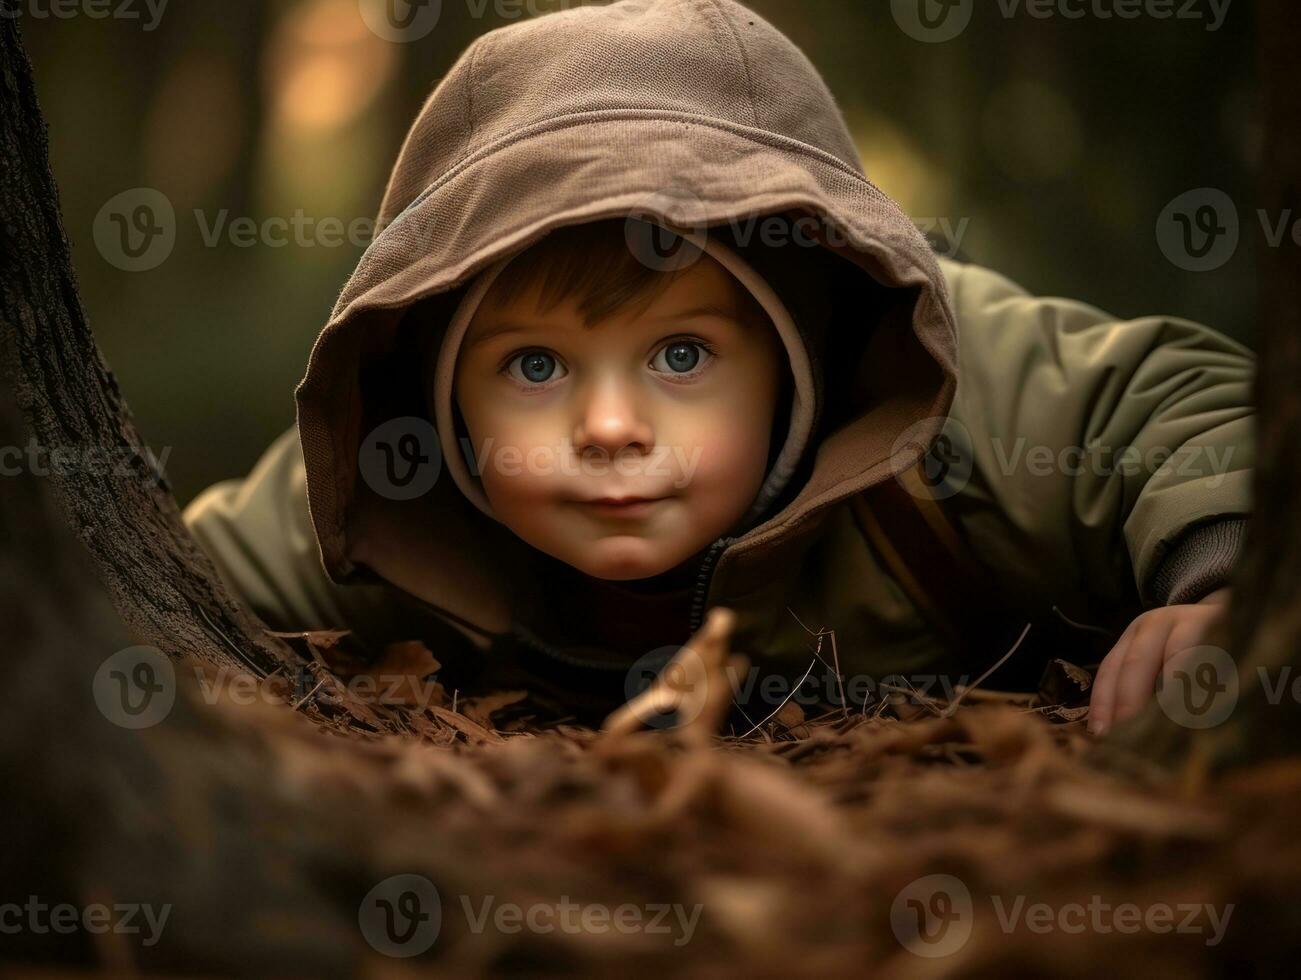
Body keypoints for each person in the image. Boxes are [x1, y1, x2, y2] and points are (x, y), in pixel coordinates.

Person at [184, 0, 1254, 734]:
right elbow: (159, 572)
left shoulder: (944, 390)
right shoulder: (382, 504)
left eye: (681, 353)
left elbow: (1178, 400)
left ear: (796, 347)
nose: (609, 425)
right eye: (536, 366)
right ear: (439, 386)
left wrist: (1220, 582)